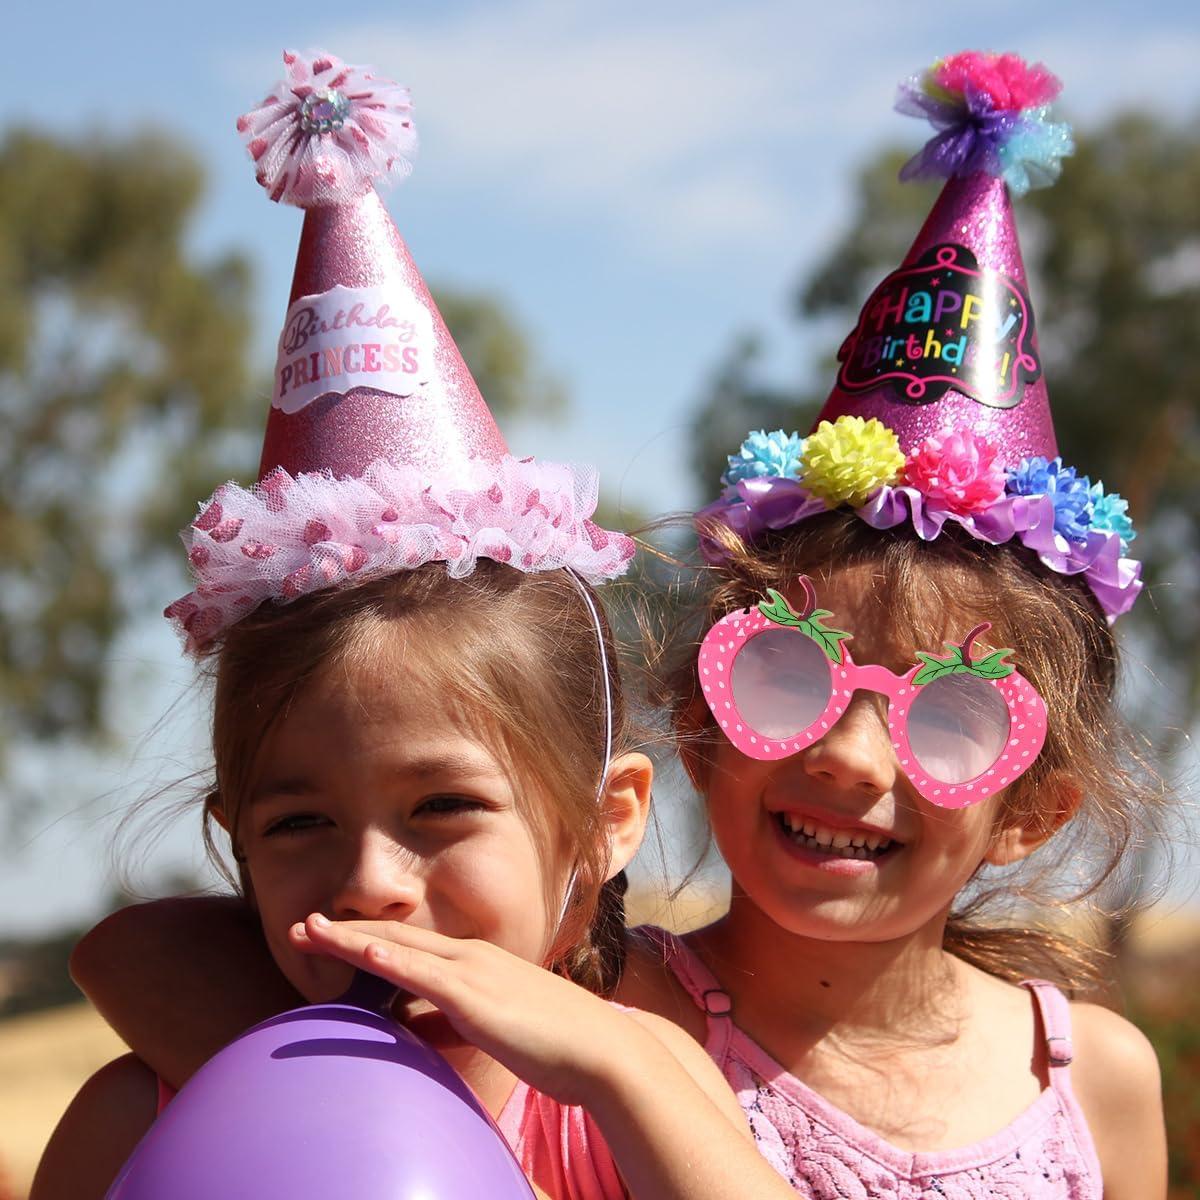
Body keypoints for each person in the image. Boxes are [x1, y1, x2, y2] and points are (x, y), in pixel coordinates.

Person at [33, 49, 799, 1200]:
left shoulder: (637, 1106)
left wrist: (621, 1071)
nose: (370, 883)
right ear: (232, 834)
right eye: (296, 823)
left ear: (607, 821)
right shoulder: (140, 1116)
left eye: (442, 806)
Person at [612, 50, 1168, 1199]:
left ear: (1032, 809)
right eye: (785, 675)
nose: (849, 757)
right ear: (694, 717)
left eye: (956, 715)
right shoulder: (618, 1017)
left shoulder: (1096, 1079)